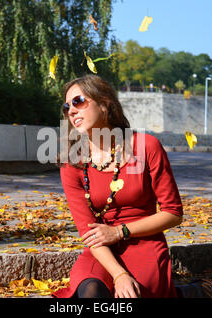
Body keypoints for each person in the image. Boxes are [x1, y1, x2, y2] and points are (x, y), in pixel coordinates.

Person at [51, 75, 183, 298]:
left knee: (132, 296)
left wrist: (119, 232)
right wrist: (119, 275)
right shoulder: (71, 162)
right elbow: (87, 231)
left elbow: (173, 213)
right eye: (66, 106)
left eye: (78, 102)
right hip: (101, 250)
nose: (71, 111)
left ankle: (194, 291)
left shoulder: (146, 146)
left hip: (145, 243)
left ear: (104, 104)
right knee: (91, 293)